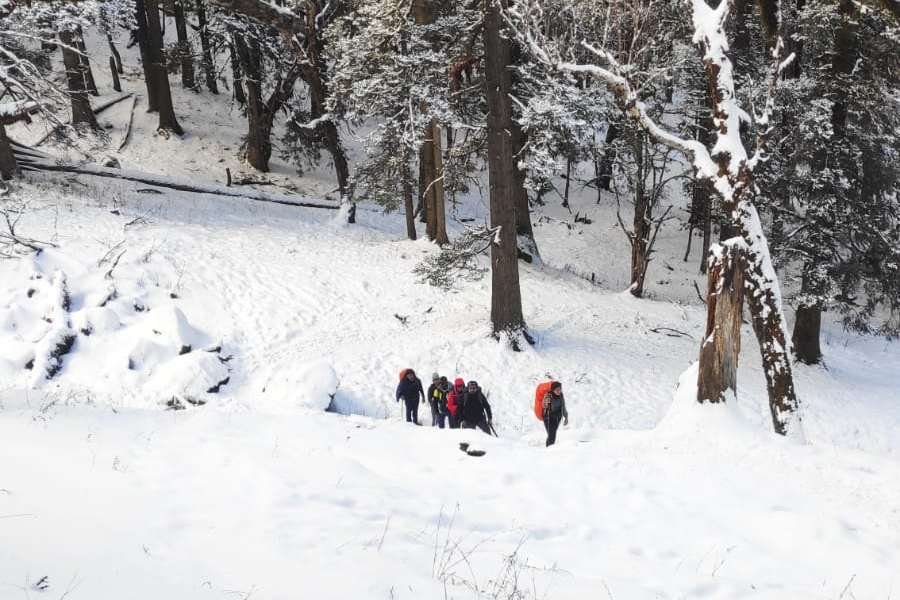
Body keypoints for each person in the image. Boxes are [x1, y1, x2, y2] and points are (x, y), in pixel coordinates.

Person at [541, 381, 569, 446]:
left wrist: (566, 417)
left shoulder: (561, 395)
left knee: (552, 435)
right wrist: (546, 403)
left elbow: (563, 406)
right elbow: (544, 405)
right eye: (557, 390)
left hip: (557, 417)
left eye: (560, 389)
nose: (559, 391)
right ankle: (549, 450)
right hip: (548, 417)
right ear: (553, 390)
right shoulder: (548, 395)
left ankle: (550, 449)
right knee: (551, 435)